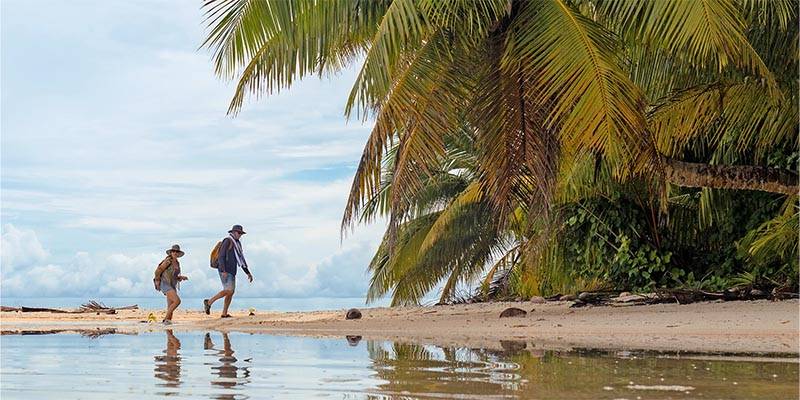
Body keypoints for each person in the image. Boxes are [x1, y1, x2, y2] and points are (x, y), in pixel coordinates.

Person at [204, 225, 253, 318]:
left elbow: (241, 259)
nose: (240, 235)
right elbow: (221, 256)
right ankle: (209, 302)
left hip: (232, 270)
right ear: (233, 232)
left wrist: (248, 272)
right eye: (239, 233)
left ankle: (224, 313)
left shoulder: (237, 244)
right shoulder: (227, 241)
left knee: (231, 292)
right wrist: (223, 270)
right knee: (229, 290)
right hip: (225, 270)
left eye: (241, 233)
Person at [153, 244, 189, 324]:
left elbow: (174, 276)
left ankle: (168, 330)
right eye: (173, 251)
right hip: (165, 283)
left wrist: (181, 277)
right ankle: (165, 319)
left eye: (177, 251)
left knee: (171, 306)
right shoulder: (168, 261)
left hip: (172, 285)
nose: (175, 253)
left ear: (179, 253)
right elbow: (158, 270)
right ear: (171, 252)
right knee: (177, 301)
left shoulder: (177, 263)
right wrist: (157, 281)